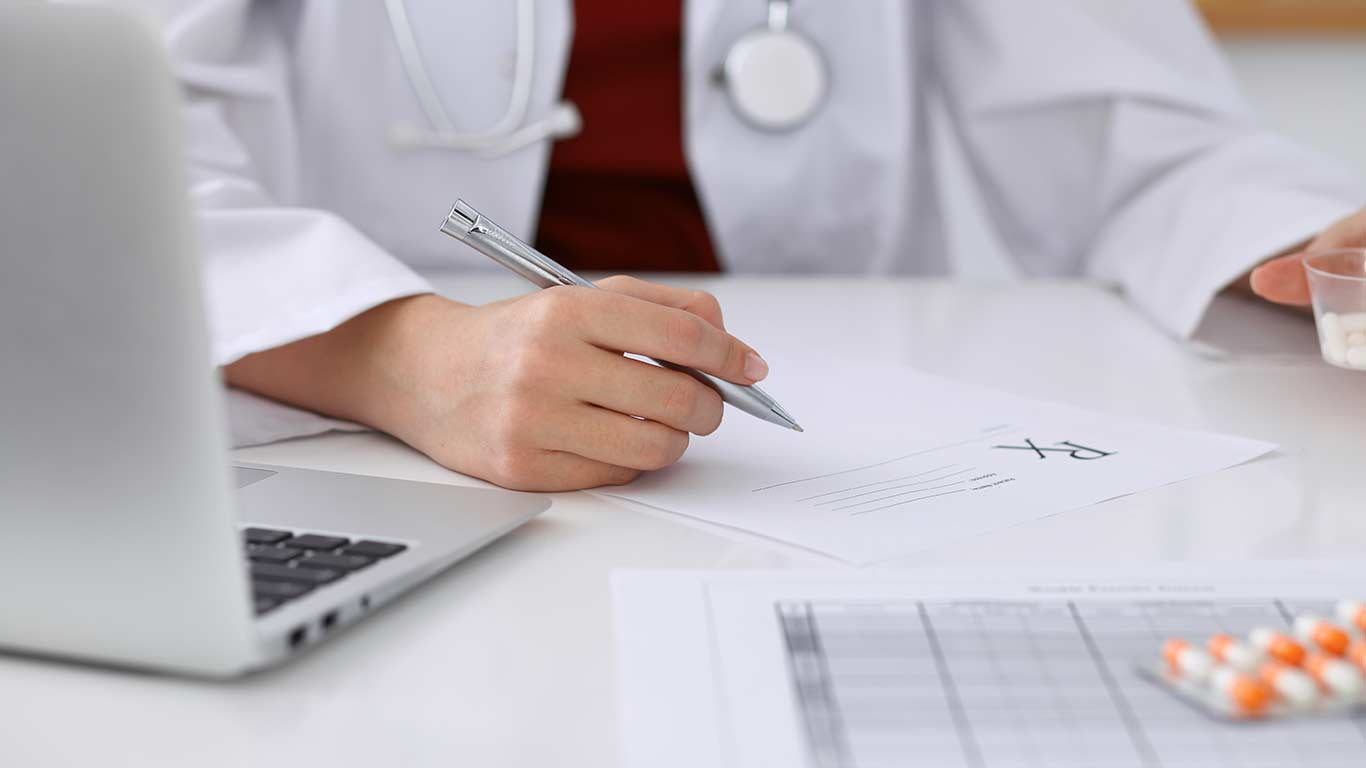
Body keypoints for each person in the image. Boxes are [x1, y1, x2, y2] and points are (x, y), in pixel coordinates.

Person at [124, 0, 1362, 491]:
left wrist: (1310, 244)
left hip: (825, 464)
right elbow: (112, 151)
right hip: (368, 438)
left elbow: (1145, 144)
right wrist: (401, 359)